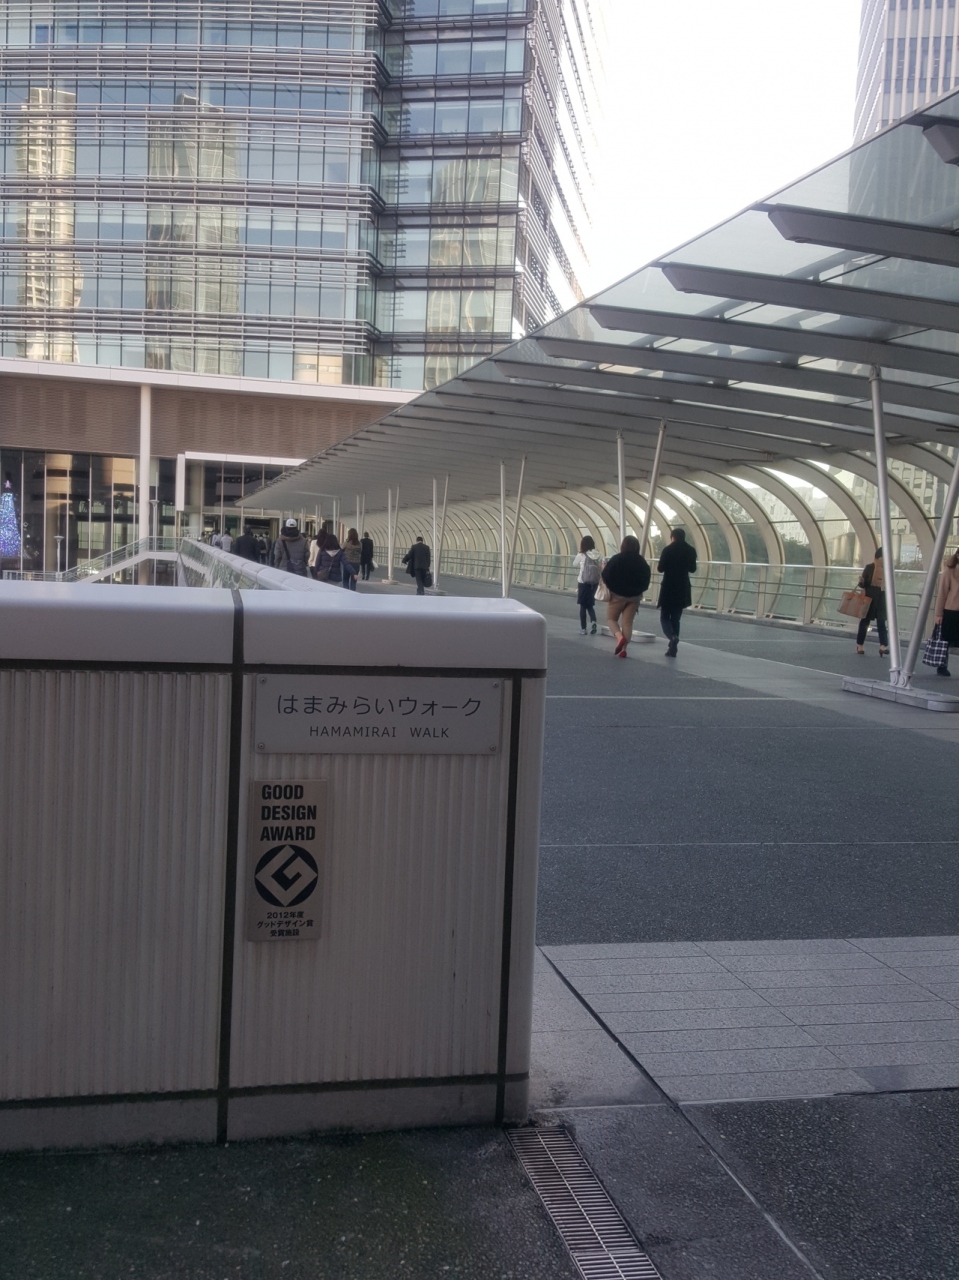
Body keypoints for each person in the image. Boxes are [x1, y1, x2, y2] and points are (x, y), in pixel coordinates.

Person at [600, 535, 651, 658]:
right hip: (634, 597)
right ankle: (624, 649)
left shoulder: (617, 559)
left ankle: (619, 637)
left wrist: (612, 587)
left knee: (611, 619)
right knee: (627, 623)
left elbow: (605, 575)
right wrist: (639, 590)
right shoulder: (641, 562)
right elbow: (646, 580)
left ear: (623, 546)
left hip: (617, 596)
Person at [657, 528, 698, 658]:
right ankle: (673, 649)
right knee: (676, 618)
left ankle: (672, 637)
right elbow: (693, 569)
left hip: (668, 587)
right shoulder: (691, 550)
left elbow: (660, 568)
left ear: (672, 537)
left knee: (664, 617)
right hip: (682, 587)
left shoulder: (667, 550)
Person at [856, 546, 890, 656]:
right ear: (879, 558)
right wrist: (862, 581)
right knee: (865, 621)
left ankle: (883, 646)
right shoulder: (869, 567)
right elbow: (863, 584)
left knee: (881, 622)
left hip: (882, 597)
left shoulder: (888, 569)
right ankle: (860, 645)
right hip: (870, 597)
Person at [933, 547, 959, 677]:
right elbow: (942, 593)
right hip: (951, 610)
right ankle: (942, 665)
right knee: (945, 640)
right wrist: (938, 613)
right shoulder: (949, 571)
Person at [572, 535, 603, 634]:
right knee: (590, 604)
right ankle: (593, 621)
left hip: (583, 582)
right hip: (594, 583)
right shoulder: (599, 555)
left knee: (583, 605)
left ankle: (583, 628)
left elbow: (574, 564)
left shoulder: (582, 555)